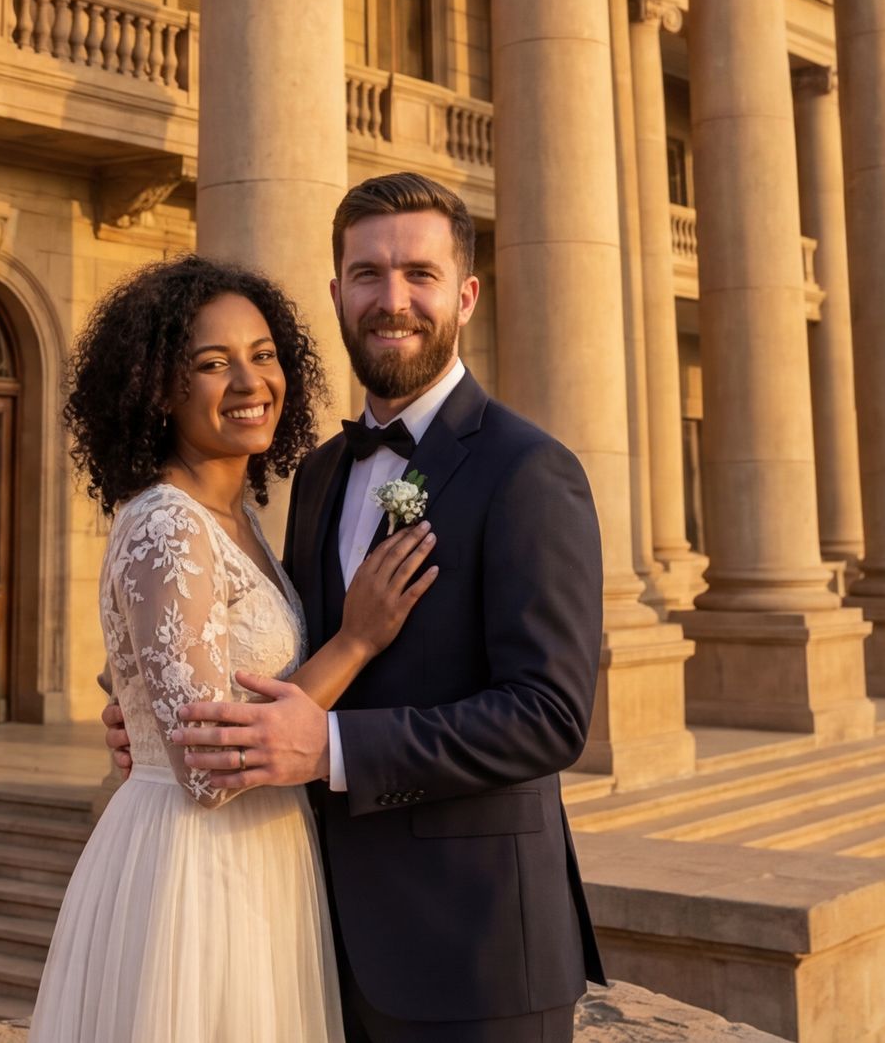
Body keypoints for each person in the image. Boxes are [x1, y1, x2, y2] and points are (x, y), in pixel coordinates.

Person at [109, 171, 609, 1043]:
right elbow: (259, 642)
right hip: (308, 934)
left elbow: (550, 714)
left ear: (466, 293)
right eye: (368, 274)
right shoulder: (317, 474)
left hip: (475, 953)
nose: (393, 299)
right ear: (337, 291)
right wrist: (153, 703)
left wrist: (329, 744)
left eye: (418, 273)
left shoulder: (530, 470)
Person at [30, 253, 442, 1043]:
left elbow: (189, 672)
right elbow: (209, 768)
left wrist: (133, 701)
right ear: (160, 387)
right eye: (212, 363)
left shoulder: (243, 517)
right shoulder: (166, 520)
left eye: (263, 355)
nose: (251, 381)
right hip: (195, 867)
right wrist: (356, 639)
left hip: (267, 855)